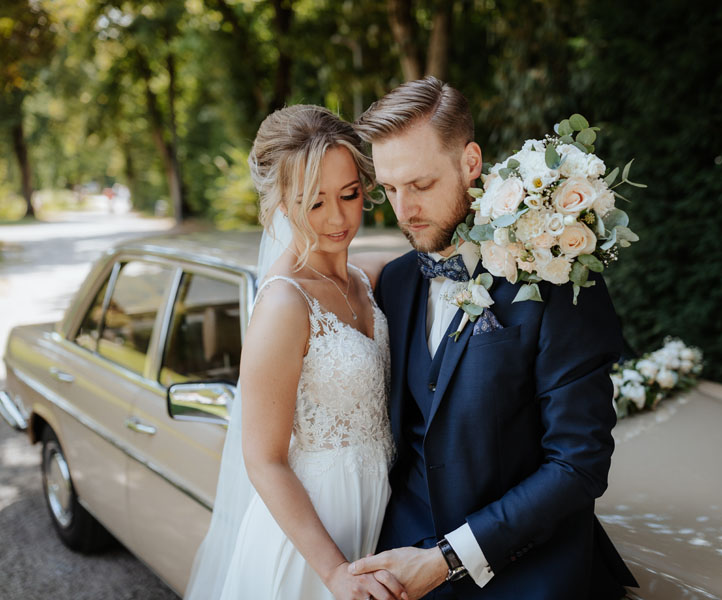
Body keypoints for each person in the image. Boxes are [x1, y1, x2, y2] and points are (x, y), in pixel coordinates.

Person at [348, 77, 638, 599]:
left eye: (420, 184)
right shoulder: (394, 283)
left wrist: (446, 560)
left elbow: (578, 462)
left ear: (470, 162)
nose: (404, 209)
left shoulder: (557, 274)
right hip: (398, 564)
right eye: (389, 189)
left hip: (530, 576)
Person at [185, 104, 403, 600]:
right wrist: (333, 573)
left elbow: (434, 263)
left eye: (349, 194)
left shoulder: (364, 279)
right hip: (311, 538)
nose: (338, 217)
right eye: (314, 201)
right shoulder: (285, 302)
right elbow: (263, 459)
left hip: (378, 514)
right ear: (282, 202)